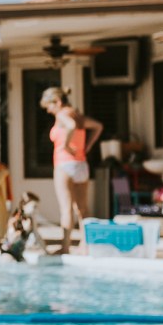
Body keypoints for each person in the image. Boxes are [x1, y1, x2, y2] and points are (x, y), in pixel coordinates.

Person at [40, 87, 103, 254]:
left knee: (66, 209)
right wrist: (87, 146)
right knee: (83, 209)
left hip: (64, 165)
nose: (48, 110)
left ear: (58, 102)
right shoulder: (77, 115)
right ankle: (87, 245)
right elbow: (98, 126)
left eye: (49, 106)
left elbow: (71, 126)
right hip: (82, 165)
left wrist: (66, 145)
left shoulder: (62, 115)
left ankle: (65, 247)